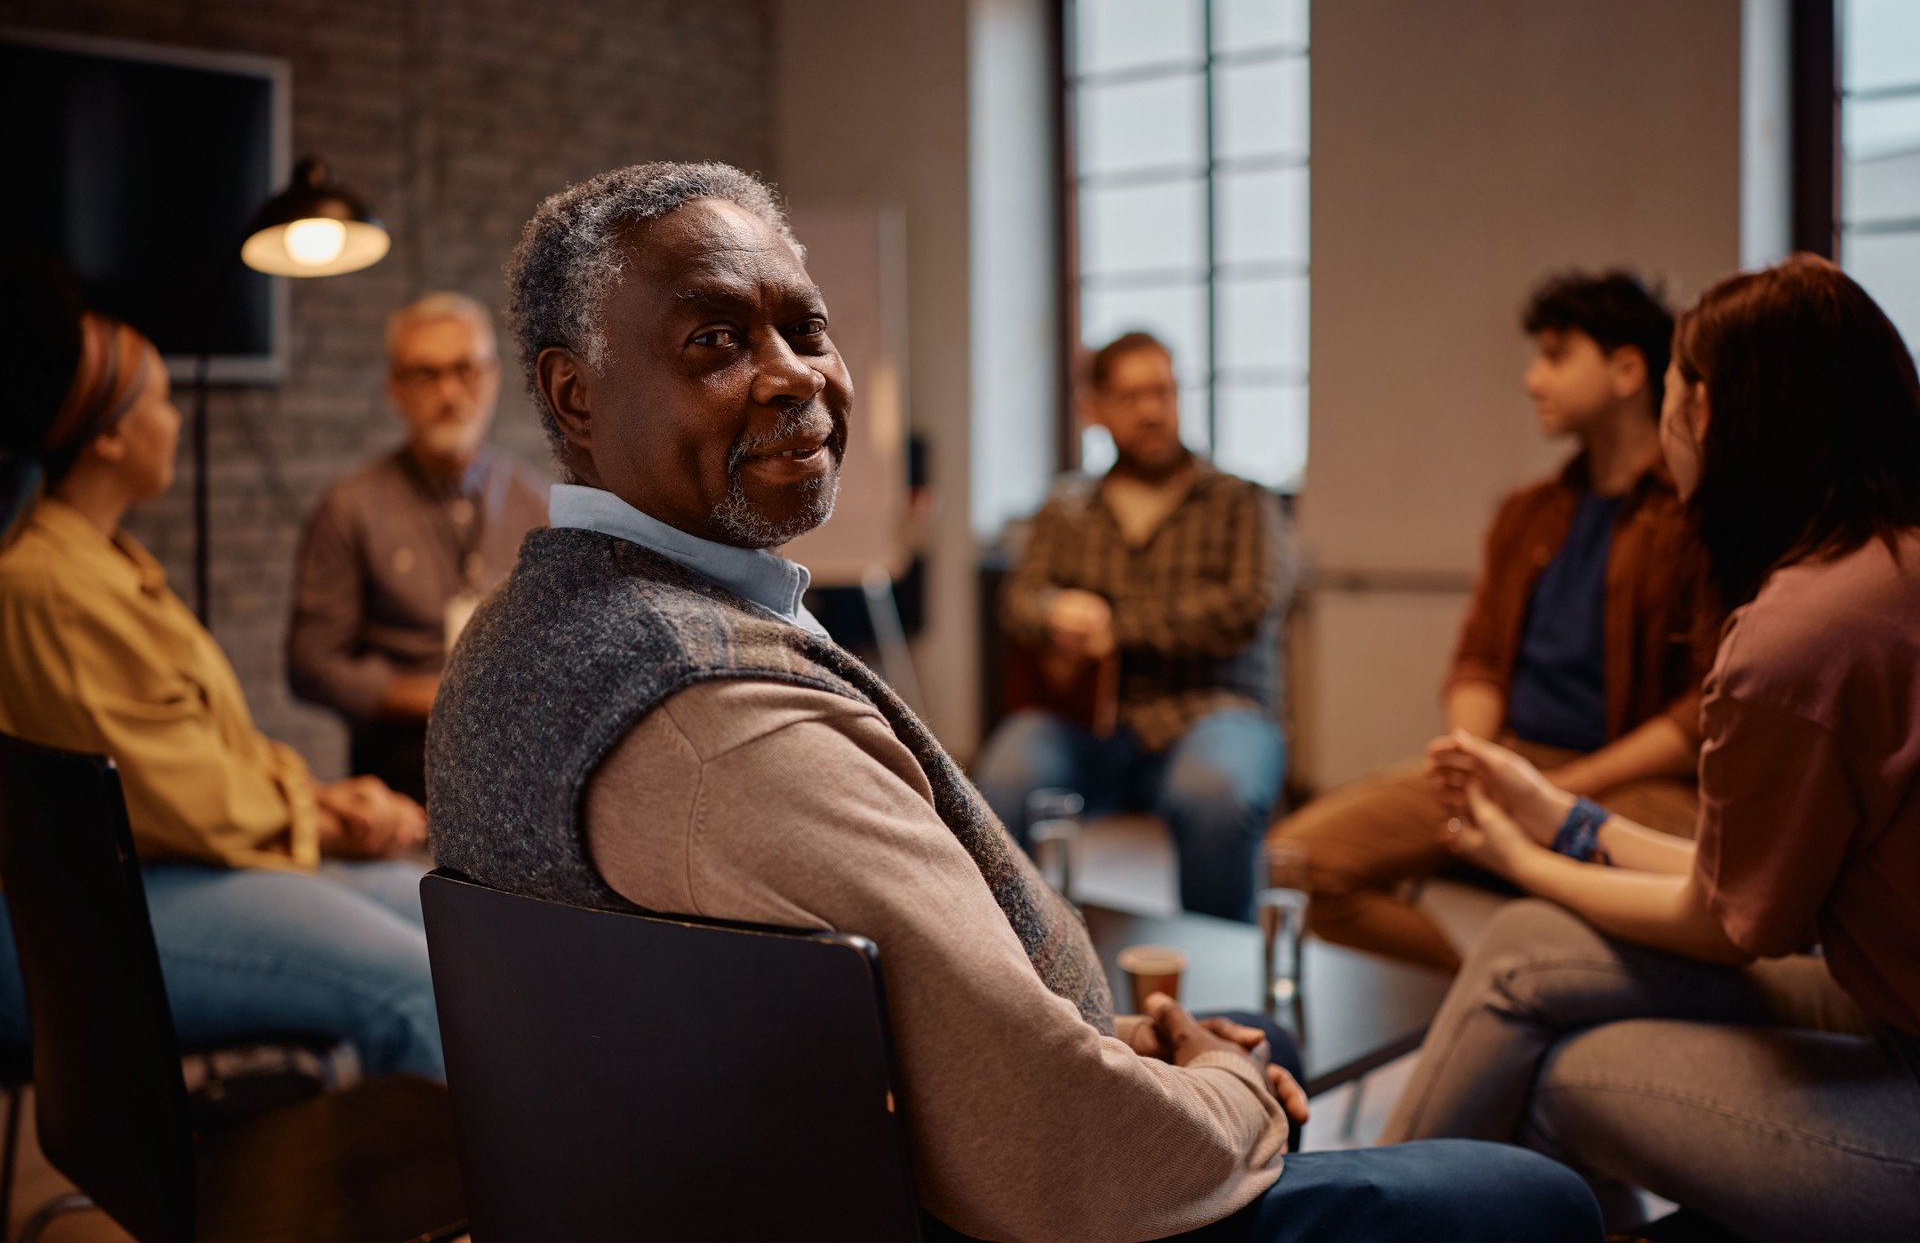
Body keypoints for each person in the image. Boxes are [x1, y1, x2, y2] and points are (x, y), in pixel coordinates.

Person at [427, 160, 1600, 1243]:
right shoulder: (714, 717)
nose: (796, 372)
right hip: (1017, 1199)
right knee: (1534, 1194)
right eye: (717, 339)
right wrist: (1213, 1087)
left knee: (1251, 978)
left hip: (806, 1134)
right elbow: (1061, 1149)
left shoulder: (509, 642)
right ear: (574, 397)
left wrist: (1117, 1038)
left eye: (806, 324)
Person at [1383, 255, 1920, 1243]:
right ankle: (1362, 1212)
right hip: (1876, 988)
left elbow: (1728, 922)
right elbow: (1760, 875)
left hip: (1901, 1056)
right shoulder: (1886, 562)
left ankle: (1351, 1221)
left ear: (1704, 410)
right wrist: (1563, 815)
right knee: (1519, 947)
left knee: (1557, 1071)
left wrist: (1522, 854)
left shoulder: (1800, 630)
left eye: (1677, 382)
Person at [0, 258, 443, 1079]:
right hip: (110, 916)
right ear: (108, 435)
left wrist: (317, 800)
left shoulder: (104, 565)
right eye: (163, 399)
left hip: (170, 865)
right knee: (417, 985)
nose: (177, 419)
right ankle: (492, 1205)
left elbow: (194, 757)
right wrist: (326, 822)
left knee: (447, 927)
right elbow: (184, 806)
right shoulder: (50, 588)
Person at [1274, 271, 1710, 971]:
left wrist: (1564, 791)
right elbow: (1479, 656)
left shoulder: (1693, 518)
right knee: (1295, 862)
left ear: (1628, 369)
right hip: (1516, 758)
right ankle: (1478, 991)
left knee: (1588, 918)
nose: (1533, 379)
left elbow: (1703, 712)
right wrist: (1472, 760)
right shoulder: (1529, 512)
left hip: (1640, 785)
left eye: (1557, 355)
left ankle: (1531, 999)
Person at [973, 331, 1291, 922]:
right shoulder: (1066, 508)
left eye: (1164, 392)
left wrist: (1118, 627)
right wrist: (1053, 614)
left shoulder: (1240, 501)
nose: (1152, 410)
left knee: (1215, 794)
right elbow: (1018, 600)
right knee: (1006, 775)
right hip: (1091, 722)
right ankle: (1016, 954)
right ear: (1094, 408)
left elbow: (1245, 608)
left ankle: (1222, 970)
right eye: (1133, 396)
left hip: (1215, 710)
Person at [287, 292, 548, 801]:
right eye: (426, 374)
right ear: (394, 389)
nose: (449, 392)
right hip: (402, 780)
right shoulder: (350, 508)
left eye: (464, 370)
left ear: (492, 378)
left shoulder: (536, 503)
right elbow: (311, 665)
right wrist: (426, 696)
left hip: (522, 775)